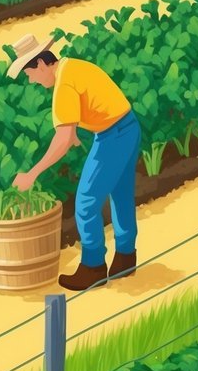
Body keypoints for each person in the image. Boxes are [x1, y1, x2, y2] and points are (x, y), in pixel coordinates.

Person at [7, 33, 140, 291]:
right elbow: (91, 99)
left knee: (86, 203)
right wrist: (77, 130)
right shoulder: (73, 66)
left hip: (112, 136)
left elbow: (63, 138)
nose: (31, 80)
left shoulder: (63, 86)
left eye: (30, 74)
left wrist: (31, 174)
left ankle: (93, 267)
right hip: (129, 126)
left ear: (41, 64)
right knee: (121, 194)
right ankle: (126, 256)